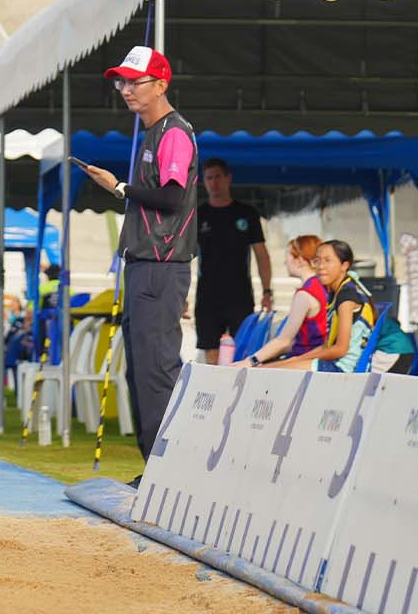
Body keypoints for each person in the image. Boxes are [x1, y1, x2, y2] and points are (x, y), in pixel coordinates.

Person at [80, 45, 199, 473]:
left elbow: (171, 196)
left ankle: (169, 470)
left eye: (135, 82)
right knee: (140, 370)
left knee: (156, 369)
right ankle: (154, 467)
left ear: (161, 85)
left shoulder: (173, 133)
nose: (126, 90)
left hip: (161, 266)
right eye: (122, 82)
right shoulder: (152, 133)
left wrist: (121, 188)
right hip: (145, 265)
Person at [195, 158, 272, 364]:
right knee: (210, 350)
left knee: (242, 349)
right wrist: (180, 294)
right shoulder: (198, 214)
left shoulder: (246, 213)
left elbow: (261, 254)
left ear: (228, 178)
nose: (214, 183)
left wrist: (267, 290)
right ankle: (214, 393)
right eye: (209, 178)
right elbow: (184, 257)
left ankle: (236, 394)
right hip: (207, 296)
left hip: (240, 295)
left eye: (218, 177)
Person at [276, 240, 371, 372]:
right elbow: (328, 345)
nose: (321, 266)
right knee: (270, 367)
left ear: (344, 265)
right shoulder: (336, 293)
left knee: (271, 370)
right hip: (334, 362)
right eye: (317, 261)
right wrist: (299, 358)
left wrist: (298, 360)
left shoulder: (347, 298)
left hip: (342, 368)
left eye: (327, 260)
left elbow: (340, 349)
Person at [239, 235, 327, 367]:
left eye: (288, 256)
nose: (285, 263)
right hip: (314, 354)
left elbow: (284, 341)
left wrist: (250, 361)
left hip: (307, 359)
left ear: (300, 260)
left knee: (256, 371)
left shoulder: (305, 294)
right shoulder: (323, 286)